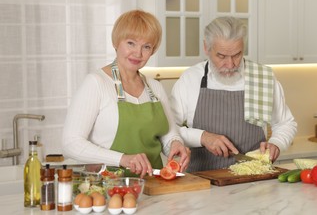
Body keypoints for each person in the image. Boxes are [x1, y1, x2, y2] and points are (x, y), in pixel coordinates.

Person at [62, 9, 190, 178]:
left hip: (153, 185)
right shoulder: (96, 83)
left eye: (146, 46)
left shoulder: (154, 88)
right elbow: (70, 143)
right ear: (116, 42)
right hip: (108, 187)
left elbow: (168, 135)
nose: (138, 53)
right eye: (131, 43)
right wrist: (122, 159)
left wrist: (176, 144)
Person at [170, 16, 297, 172]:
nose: (230, 65)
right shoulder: (190, 79)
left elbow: (285, 123)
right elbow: (169, 129)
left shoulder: (262, 77)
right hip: (201, 182)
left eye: (237, 55)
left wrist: (277, 142)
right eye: (221, 56)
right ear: (206, 48)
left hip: (253, 182)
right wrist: (203, 137)